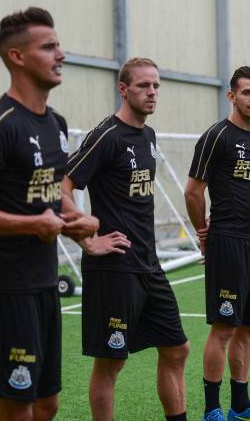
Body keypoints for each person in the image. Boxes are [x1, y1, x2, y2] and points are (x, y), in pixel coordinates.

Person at [0, 7, 98, 421]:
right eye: (48, 47)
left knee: (46, 402)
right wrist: (34, 225)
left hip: (44, 282)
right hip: (6, 285)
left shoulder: (56, 123)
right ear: (17, 57)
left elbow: (50, 188)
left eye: (59, 45)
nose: (60, 54)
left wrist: (77, 225)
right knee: (17, 404)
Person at [63, 57, 190, 421]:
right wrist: (87, 240)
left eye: (156, 86)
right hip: (114, 268)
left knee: (177, 348)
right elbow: (63, 185)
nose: (152, 93)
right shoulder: (107, 135)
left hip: (148, 264)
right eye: (143, 86)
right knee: (111, 363)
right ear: (123, 89)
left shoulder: (148, 136)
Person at [184, 66, 250, 421]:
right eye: (247, 93)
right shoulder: (217, 136)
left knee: (249, 328)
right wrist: (203, 231)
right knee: (223, 328)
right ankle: (212, 408)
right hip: (228, 241)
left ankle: (241, 404)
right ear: (232, 96)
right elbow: (193, 191)